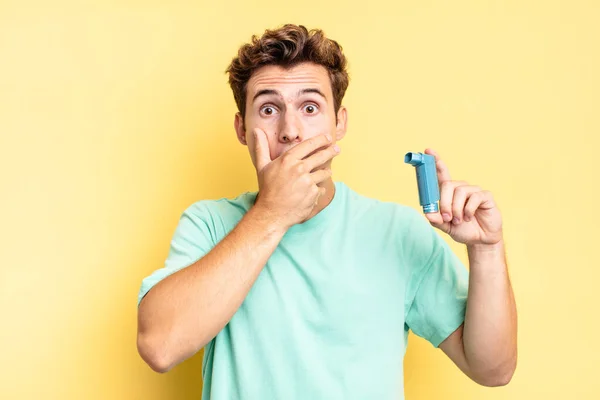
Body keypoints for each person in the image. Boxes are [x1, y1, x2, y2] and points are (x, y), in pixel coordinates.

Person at [136, 24, 517, 399]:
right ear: (241, 128)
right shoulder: (209, 224)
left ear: (339, 124)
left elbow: (493, 369)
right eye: (268, 108)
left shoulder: (397, 233)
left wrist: (485, 250)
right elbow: (159, 347)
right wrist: (271, 213)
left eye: (310, 107)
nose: (290, 130)